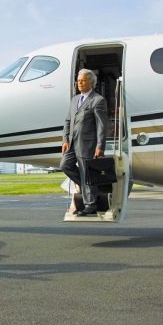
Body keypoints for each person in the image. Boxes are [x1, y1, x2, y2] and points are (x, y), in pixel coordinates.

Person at [60, 69, 108, 216]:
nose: (79, 83)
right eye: (78, 80)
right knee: (65, 165)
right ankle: (83, 185)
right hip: (73, 143)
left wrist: (100, 146)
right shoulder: (75, 100)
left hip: (88, 144)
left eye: (83, 80)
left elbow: (102, 125)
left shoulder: (98, 100)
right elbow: (68, 121)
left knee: (87, 173)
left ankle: (90, 205)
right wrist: (65, 139)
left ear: (91, 82)